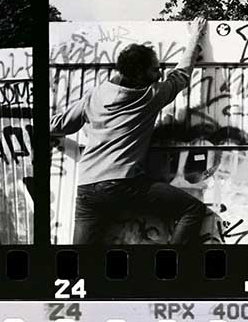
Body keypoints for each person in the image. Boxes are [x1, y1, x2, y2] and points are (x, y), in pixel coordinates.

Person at [50, 19, 210, 245]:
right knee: (192, 210)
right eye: (155, 69)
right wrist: (195, 36)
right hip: (123, 186)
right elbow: (181, 74)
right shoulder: (148, 97)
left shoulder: (95, 95)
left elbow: (58, 125)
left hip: (87, 189)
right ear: (137, 74)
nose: (160, 73)